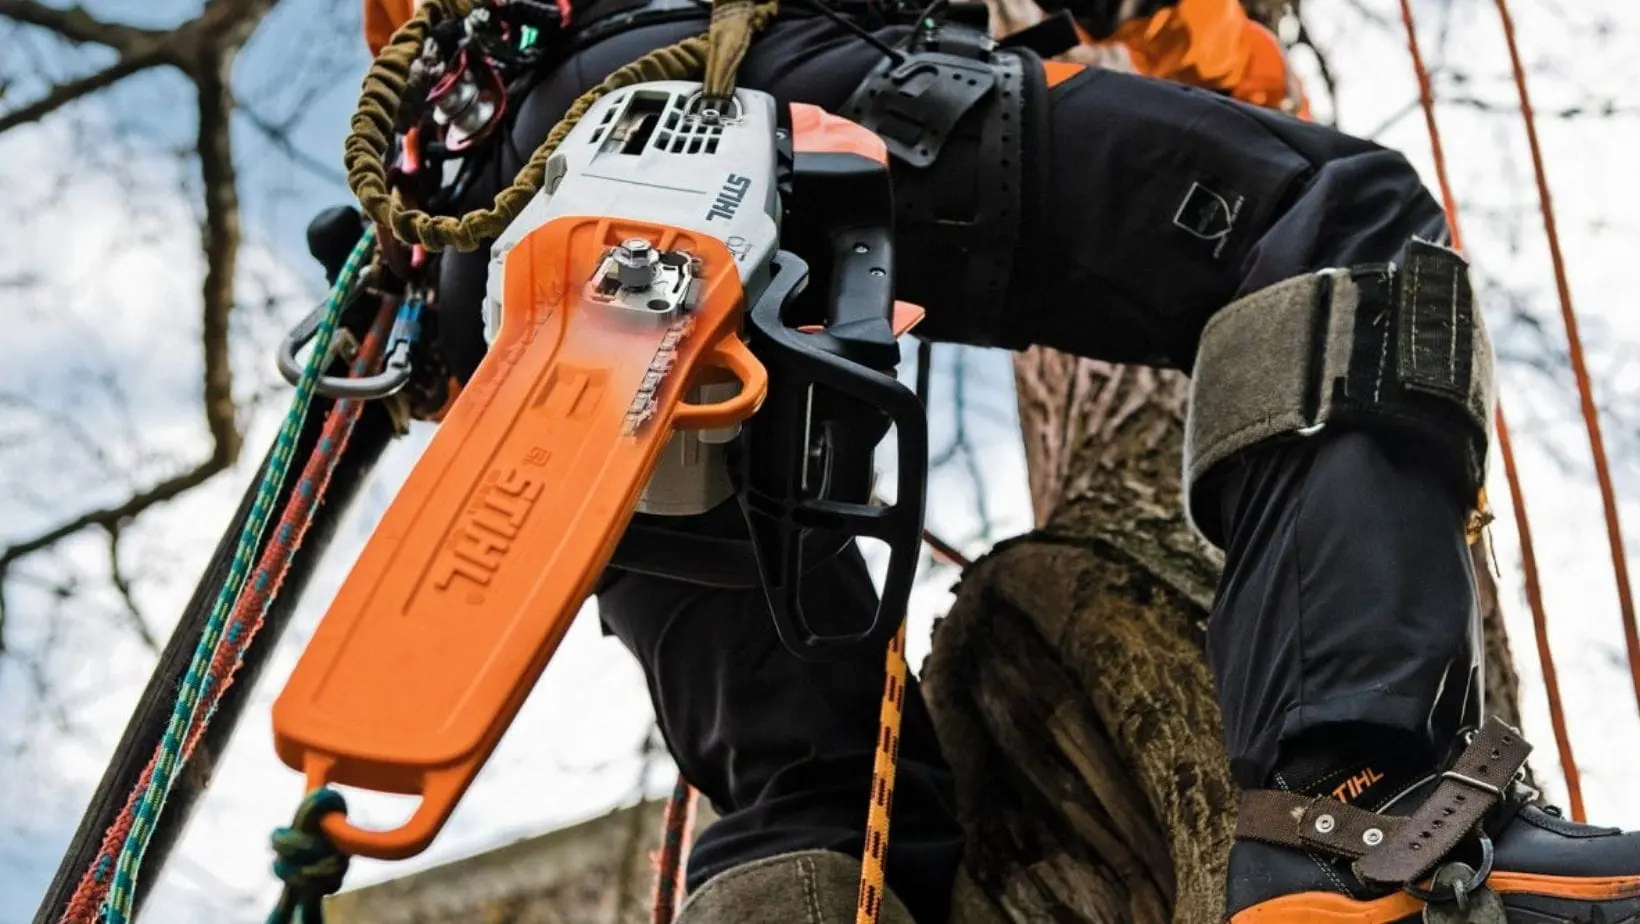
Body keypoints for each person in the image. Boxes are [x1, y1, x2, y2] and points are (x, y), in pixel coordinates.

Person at [345, 0, 1640, 921]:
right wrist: (1215, 42)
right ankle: (1364, 816)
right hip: (754, 93)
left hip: (522, 268)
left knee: (814, 797)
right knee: (1332, 218)